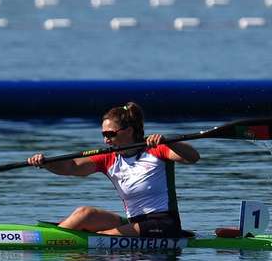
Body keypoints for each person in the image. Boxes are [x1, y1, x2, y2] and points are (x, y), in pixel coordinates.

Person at [27, 102, 199, 238]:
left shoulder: (156, 149)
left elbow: (192, 157)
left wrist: (169, 142)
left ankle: (54, 240)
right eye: (104, 135)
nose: (106, 140)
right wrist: (46, 163)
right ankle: (54, 238)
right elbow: (71, 166)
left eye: (110, 134)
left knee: (101, 237)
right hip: (134, 222)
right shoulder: (108, 157)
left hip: (163, 224)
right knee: (84, 214)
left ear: (129, 131)